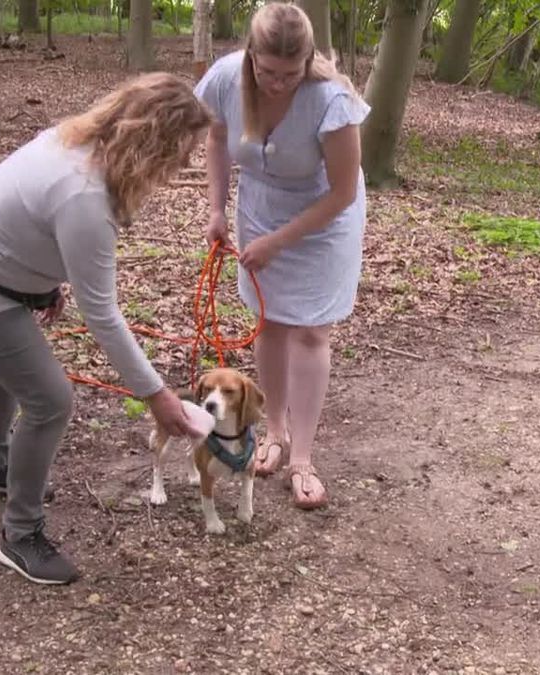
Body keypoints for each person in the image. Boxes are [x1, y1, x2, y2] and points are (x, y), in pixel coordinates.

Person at [0, 72, 211, 585]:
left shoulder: (79, 140)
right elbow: (102, 315)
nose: (184, 165)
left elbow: (24, 222)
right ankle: (21, 537)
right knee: (50, 399)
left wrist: (41, 284)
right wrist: (157, 395)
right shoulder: (84, 195)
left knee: (8, 371)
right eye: (182, 152)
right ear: (155, 142)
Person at [194, 2, 371, 510]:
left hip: (323, 219)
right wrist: (216, 210)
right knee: (269, 324)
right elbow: (217, 138)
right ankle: (273, 433)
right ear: (252, 56)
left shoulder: (331, 99)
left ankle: (303, 458)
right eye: (268, 71)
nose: (277, 82)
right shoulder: (228, 78)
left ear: (309, 61)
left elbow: (341, 194)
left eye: (290, 74)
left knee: (312, 330)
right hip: (262, 207)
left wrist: (278, 242)